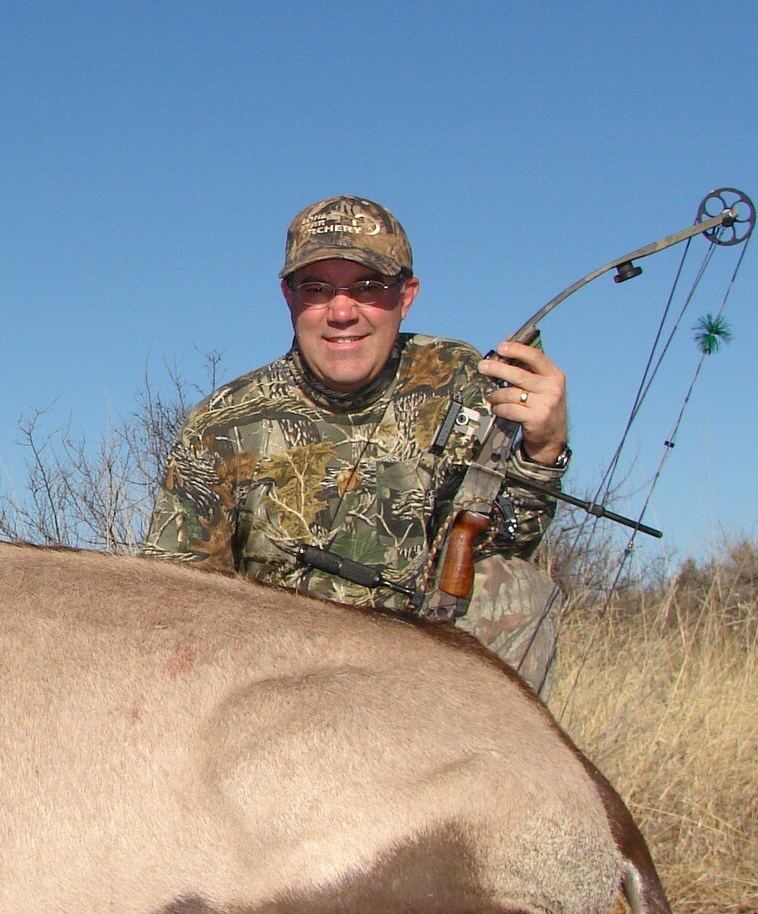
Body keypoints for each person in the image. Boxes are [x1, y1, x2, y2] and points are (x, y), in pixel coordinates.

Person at [141, 195, 570, 694]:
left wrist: (543, 452)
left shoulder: (458, 379)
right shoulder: (222, 424)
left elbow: (503, 547)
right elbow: (174, 598)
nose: (341, 311)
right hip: (277, 679)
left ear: (406, 295)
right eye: (317, 289)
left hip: (422, 667)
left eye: (368, 287)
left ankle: (488, 765)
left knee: (520, 591)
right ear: (289, 297)